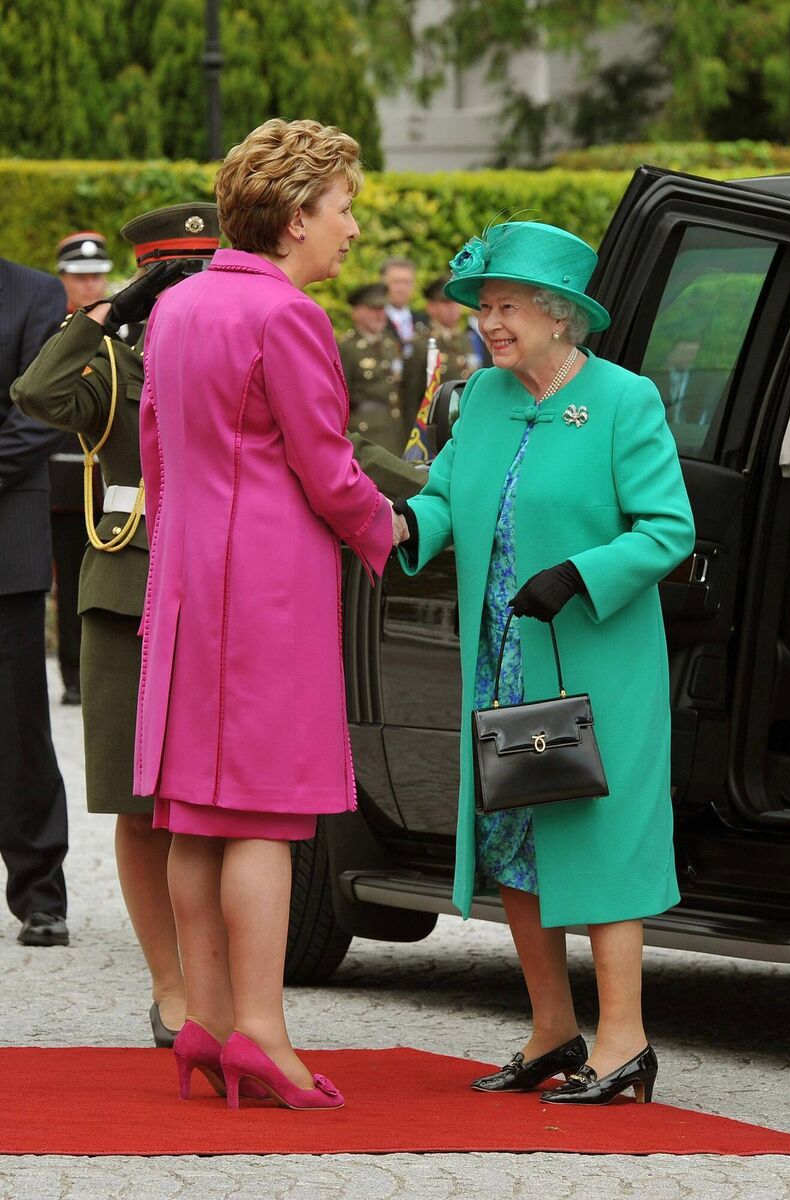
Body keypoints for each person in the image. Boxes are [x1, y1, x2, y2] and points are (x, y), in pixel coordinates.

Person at [134, 118, 408, 1111]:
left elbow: (157, 454)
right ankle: (259, 1031)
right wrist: (395, 533)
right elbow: (329, 470)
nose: (350, 231)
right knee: (259, 814)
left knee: (196, 815)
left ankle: (203, 1021)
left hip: (188, 576)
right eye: (342, 210)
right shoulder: (288, 316)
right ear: (296, 217)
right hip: (267, 588)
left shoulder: (178, 305)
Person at [394, 220, 695, 1106]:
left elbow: (667, 528)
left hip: (590, 664)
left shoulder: (621, 400)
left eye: (507, 306)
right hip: (500, 665)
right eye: (484, 306)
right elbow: (443, 495)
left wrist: (579, 573)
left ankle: (625, 1040)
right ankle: (552, 1029)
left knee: (595, 840)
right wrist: (398, 526)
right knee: (511, 841)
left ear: (560, 316)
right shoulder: (484, 396)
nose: (489, 321)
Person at [13, 203, 221, 1042]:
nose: (187, 289)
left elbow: (332, 441)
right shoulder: (109, 364)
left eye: (201, 270)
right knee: (138, 805)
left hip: (219, 586)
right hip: (127, 586)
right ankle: (170, 987)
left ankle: (225, 980)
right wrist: (108, 314)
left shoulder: (244, 344)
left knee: (216, 803)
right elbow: (35, 392)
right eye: (173, 274)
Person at [0, 256, 70, 947]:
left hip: (5, 546)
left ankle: (40, 895)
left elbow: (39, 412)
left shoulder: (33, 293)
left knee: (19, 732)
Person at [50, 231, 114, 705]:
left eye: (97, 276)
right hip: (63, 482)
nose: (90, 286)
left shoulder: (122, 330)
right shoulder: (49, 329)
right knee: (70, 582)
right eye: (80, 277)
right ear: (63, 279)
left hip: (112, 482)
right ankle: (74, 676)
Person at [338, 283, 406, 455]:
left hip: (394, 428)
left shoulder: (390, 344)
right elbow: (340, 399)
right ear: (356, 312)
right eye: (373, 308)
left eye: (382, 308)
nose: (380, 314)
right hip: (365, 434)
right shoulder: (347, 348)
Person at [402, 275, 480, 420]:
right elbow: (410, 398)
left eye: (455, 302)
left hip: (464, 420)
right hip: (436, 424)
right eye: (445, 302)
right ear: (431, 307)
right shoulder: (422, 344)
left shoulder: (465, 338)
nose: (452, 307)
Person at [381, 256, 428, 348]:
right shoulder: (377, 320)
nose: (402, 289)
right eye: (396, 282)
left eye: (406, 282)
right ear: (383, 284)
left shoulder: (424, 320)